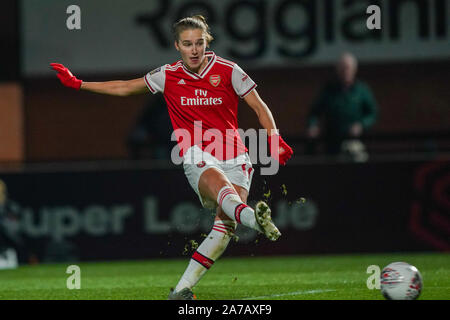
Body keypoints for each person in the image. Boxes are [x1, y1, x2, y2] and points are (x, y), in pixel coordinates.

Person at [50, 15, 293, 300]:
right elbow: (125, 87)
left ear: (207, 43)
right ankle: (255, 219)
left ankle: (180, 291)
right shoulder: (167, 75)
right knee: (226, 195)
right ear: (177, 45)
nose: (194, 50)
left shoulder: (228, 70)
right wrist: (79, 84)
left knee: (223, 230)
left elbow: (259, 106)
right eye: (188, 44)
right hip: (195, 153)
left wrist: (274, 139)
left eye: (199, 43)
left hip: (236, 156)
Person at [306, 52, 377, 160]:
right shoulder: (329, 90)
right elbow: (314, 112)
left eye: (348, 68)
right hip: (332, 143)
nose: (345, 71)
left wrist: (361, 125)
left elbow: (372, 113)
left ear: (354, 69)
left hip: (355, 143)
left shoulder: (362, 90)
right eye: (342, 68)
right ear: (337, 70)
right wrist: (313, 125)